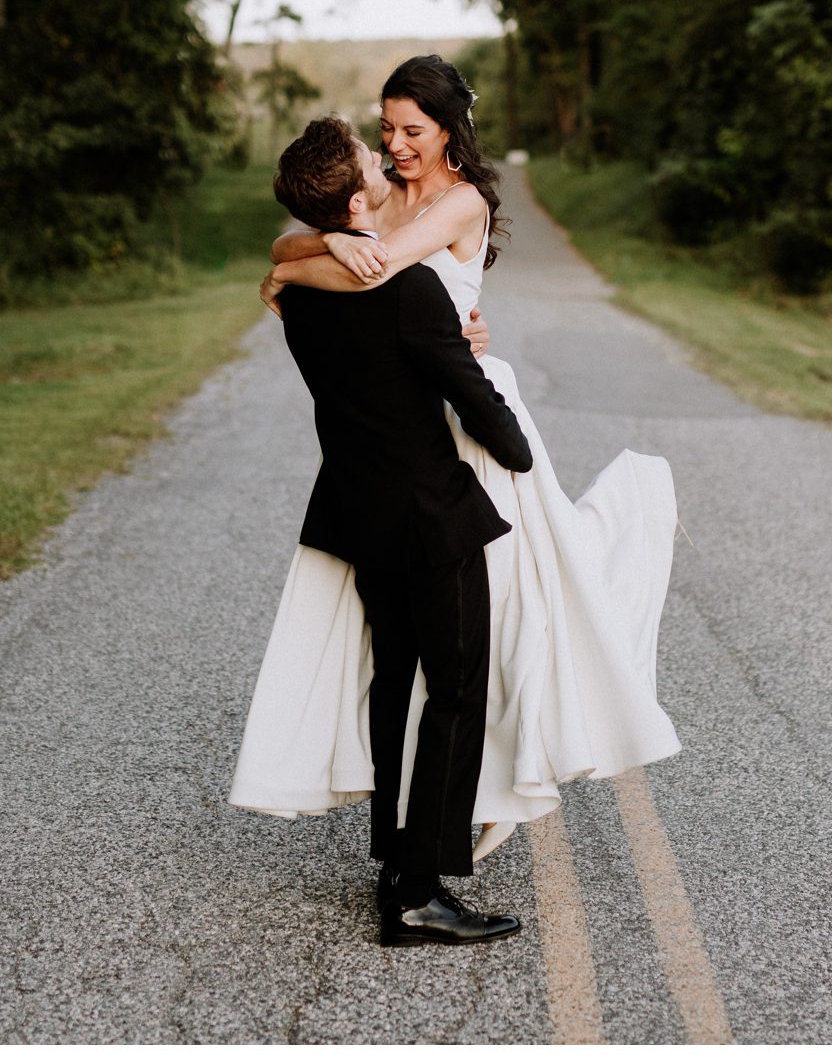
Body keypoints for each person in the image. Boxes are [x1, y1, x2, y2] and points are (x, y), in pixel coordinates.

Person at [230, 55, 679, 865]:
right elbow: (316, 235)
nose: (396, 145)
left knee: (509, 619)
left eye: (414, 130)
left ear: (448, 130)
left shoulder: (460, 199)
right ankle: (439, 814)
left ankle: (513, 775)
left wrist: (294, 265)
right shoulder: (376, 197)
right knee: (433, 646)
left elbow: (384, 272)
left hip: (469, 417)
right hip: (404, 424)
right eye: (387, 130)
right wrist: (310, 243)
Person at [249, 113, 533, 947]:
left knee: (395, 687)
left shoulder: (302, 292)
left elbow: (291, 261)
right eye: (367, 156)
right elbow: (471, 398)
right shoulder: (408, 288)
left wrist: (320, 245)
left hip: (359, 509)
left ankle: (393, 858)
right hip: (430, 517)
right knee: (453, 691)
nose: (381, 157)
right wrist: (516, 449)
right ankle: (417, 887)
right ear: (354, 192)